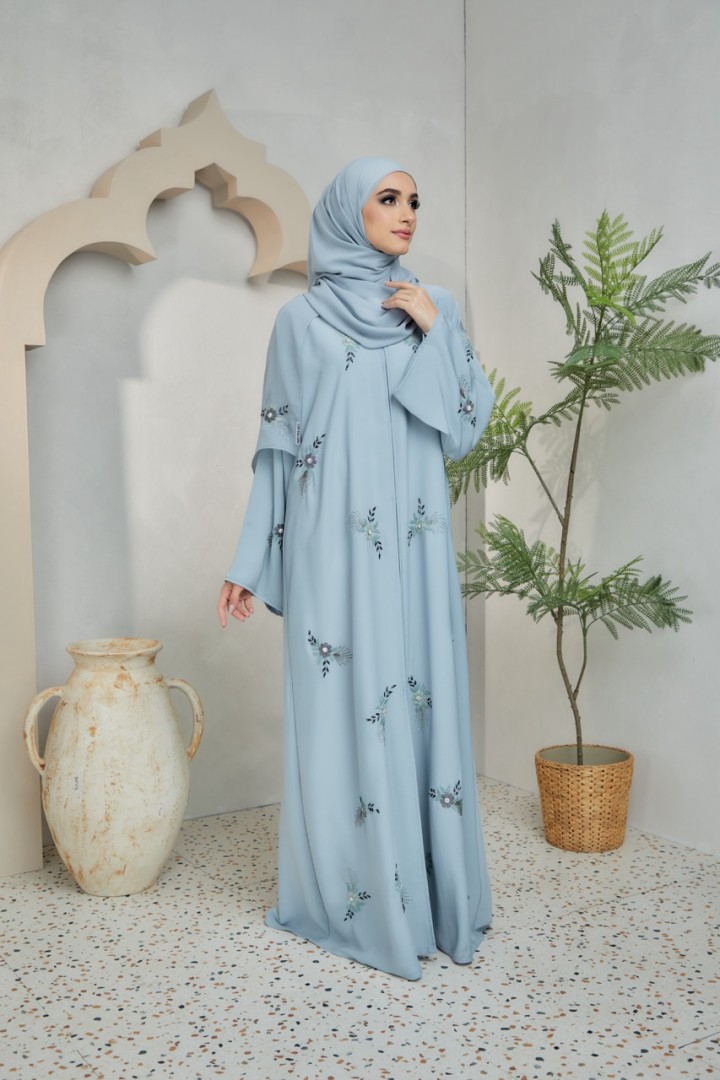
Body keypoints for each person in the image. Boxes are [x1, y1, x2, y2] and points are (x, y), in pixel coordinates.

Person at [217, 158, 495, 981]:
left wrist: (435, 332)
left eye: (414, 201)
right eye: (389, 198)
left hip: (414, 549)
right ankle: (355, 900)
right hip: (330, 551)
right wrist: (248, 561)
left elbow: (466, 427)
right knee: (340, 711)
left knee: (416, 699)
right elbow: (276, 452)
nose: (407, 213)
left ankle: (430, 900)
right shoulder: (298, 322)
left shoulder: (432, 306)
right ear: (349, 212)